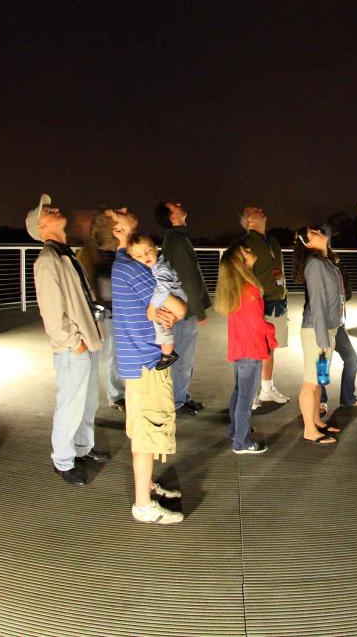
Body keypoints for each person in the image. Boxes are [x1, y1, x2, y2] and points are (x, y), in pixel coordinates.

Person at [107, 209, 184, 524]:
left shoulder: (127, 262)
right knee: (147, 430)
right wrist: (178, 308)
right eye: (118, 214)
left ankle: (146, 484)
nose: (125, 211)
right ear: (116, 230)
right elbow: (177, 306)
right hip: (146, 362)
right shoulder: (132, 266)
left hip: (139, 359)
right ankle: (143, 505)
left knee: (145, 428)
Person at [28, 194, 109, 487]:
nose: (54, 208)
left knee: (87, 402)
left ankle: (82, 448)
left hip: (85, 340)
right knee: (70, 404)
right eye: (46, 210)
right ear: (40, 225)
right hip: (73, 346)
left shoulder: (64, 254)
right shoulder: (48, 259)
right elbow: (52, 312)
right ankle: (62, 461)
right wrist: (73, 341)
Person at [293, 224, 357, 446]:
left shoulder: (325, 262)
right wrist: (323, 339)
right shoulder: (314, 264)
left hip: (327, 328)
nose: (319, 233)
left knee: (316, 382)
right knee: (310, 382)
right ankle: (309, 430)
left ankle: (315, 421)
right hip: (317, 329)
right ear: (307, 243)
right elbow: (318, 303)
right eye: (313, 233)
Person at [215, 242, 274, 455]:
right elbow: (257, 323)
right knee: (246, 397)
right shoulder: (249, 290)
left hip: (241, 347)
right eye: (246, 251)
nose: (250, 251)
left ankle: (236, 430)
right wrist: (271, 329)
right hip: (251, 348)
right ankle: (241, 442)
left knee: (240, 392)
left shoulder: (235, 289)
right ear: (241, 262)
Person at [155, 201, 211, 416]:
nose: (180, 204)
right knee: (183, 358)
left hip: (183, 308)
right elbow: (188, 278)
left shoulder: (177, 237)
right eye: (174, 205)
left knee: (184, 356)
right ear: (172, 216)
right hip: (183, 310)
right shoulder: (177, 240)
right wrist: (199, 310)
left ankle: (182, 395)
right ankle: (176, 401)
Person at [238, 207, 289, 406]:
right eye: (254, 210)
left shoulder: (273, 241)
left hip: (277, 300)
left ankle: (267, 389)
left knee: (270, 348)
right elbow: (241, 277)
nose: (261, 209)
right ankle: (249, 395)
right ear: (249, 220)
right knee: (253, 350)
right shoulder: (245, 243)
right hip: (258, 303)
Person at [81, 214, 125, 412]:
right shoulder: (89, 253)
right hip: (106, 312)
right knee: (109, 355)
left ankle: (117, 392)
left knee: (114, 354)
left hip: (118, 309)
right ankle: (115, 394)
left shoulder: (117, 251)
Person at [128, 233, 186, 367]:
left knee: (161, 322)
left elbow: (163, 289)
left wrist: (152, 307)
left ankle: (168, 354)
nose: (145, 257)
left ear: (156, 249)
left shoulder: (161, 268)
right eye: (139, 256)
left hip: (174, 295)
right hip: (171, 298)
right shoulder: (150, 268)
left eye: (148, 251)